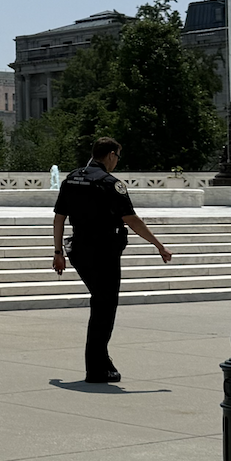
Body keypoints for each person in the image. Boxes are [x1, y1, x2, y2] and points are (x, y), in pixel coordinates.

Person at [51, 137, 173, 384]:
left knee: (100, 303)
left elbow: (59, 218)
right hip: (104, 252)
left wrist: (58, 253)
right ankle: (96, 367)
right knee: (104, 307)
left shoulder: (71, 178)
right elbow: (132, 220)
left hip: (78, 250)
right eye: (117, 156)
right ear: (110, 155)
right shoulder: (110, 183)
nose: (117, 161)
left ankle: (101, 361)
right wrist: (158, 245)